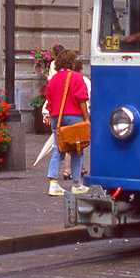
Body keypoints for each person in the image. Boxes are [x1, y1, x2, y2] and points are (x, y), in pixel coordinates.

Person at [45, 48, 91, 196]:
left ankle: (53, 183)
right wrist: (86, 118)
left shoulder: (53, 80)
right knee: (77, 150)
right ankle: (76, 184)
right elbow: (82, 99)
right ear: (72, 62)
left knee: (58, 150)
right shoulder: (77, 77)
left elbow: (50, 102)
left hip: (57, 118)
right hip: (74, 116)